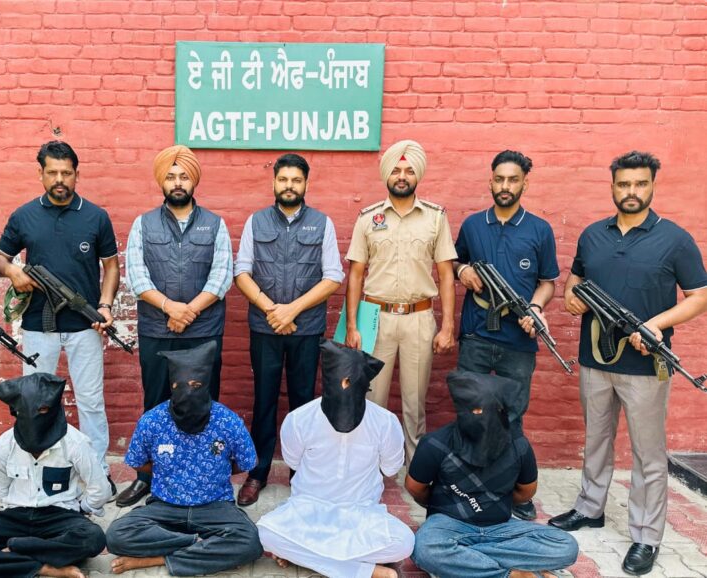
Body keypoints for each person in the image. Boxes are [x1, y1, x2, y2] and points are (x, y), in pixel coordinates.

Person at [548, 151, 707, 576]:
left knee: (648, 454)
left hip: (646, 366)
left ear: (652, 185)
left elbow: (700, 297)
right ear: (613, 187)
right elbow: (576, 280)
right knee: (596, 440)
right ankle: (590, 508)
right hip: (595, 360)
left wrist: (657, 324)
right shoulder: (592, 235)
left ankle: (646, 536)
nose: (631, 191)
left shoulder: (675, 239)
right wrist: (572, 296)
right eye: (624, 184)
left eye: (639, 184)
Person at [0, 140, 120, 497]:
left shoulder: (95, 216)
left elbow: (111, 266)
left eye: (67, 173)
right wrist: (14, 272)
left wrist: (105, 305)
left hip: (84, 327)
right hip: (38, 327)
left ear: (77, 174)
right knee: (34, 403)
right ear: (41, 174)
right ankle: (34, 473)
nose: (60, 179)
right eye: (53, 172)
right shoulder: (24, 216)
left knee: (91, 402)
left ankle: (98, 472)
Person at [119, 144, 233, 508]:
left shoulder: (215, 224)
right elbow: (137, 276)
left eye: (184, 176)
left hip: (204, 333)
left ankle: (205, 480)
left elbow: (221, 277)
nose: (178, 182)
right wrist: (170, 308)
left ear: (194, 180)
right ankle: (149, 479)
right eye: (171, 176)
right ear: (161, 181)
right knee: (156, 404)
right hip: (157, 329)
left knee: (203, 405)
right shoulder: (143, 224)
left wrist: (188, 312)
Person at [453, 150, 560, 520]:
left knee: (513, 417)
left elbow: (548, 282)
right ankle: (466, 485)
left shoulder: (540, 230)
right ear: (490, 180)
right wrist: (462, 271)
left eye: (513, 180)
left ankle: (514, 488)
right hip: (476, 334)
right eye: (499, 179)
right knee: (470, 411)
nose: (505, 186)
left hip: (519, 340)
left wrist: (536, 307)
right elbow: (454, 261)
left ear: (524, 184)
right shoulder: (472, 225)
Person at [234, 153, 344, 506]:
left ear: (306, 184)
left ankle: (302, 473)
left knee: (304, 402)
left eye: (296, 180)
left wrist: (292, 310)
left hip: (306, 329)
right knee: (264, 399)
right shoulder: (256, 222)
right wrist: (272, 310)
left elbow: (333, 276)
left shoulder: (322, 223)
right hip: (265, 328)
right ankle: (258, 472)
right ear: (274, 182)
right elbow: (241, 272)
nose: (289, 186)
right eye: (283, 179)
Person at [258, 339, 414, 578]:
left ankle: (304, 555)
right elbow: (293, 462)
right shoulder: (299, 419)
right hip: (308, 510)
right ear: (327, 382)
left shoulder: (385, 422)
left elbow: (391, 468)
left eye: (351, 383)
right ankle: (365, 570)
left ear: (364, 386)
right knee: (264, 533)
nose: (344, 390)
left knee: (404, 543)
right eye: (340, 382)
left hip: (361, 513)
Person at [105, 341, 263, 576]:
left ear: (206, 383)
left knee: (250, 542)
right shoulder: (153, 420)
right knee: (116, 535)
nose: (187, 392)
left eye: (195, 385)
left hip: (215, 506)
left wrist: (216, 471)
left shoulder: (227, 420)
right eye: (179, 386)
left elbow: (246, 462)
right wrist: (166, 472)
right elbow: (139, 462)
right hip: (165, 506)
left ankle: (158, 558)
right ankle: (201, 545)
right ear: (171, 385)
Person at [0, 373, 108, 578]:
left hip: (59, 516)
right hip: (14, 517)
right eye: (26, 410)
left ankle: (10, 553)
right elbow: (1, 492)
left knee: (93, 538)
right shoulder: (4, 445)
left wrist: (81, 509)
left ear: (54, 409)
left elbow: (100, 490)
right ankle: (43, 567)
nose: (35, 417)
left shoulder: (75, 442)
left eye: (42, 410)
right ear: (16, 411)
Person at [345, 139, 457, 461]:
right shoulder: (368, 218)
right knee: (372, 398)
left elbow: (446, 274)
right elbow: (355, 274)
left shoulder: (435, 217)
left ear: (417, 175)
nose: (402, 176)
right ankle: (371, 463)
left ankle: (415, 468)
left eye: (409, 171)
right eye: (396, 170)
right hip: (376, 318)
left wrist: (447, 326)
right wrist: (352, 326)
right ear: (387, 175)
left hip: (419, 319)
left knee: (414, 402)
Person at [407, 371, 579, 578]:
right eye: (477, 410)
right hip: (449, 524)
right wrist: (441, 505)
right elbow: (415, 487)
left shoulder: (518, 445)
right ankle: (513, 574)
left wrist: (493, 507)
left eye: (492, 409)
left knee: (566, 546)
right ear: (464, 410)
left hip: (501, 528)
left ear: (502, 410)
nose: (483, 416)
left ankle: (465, 561)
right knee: (425, 548)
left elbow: (526, 492)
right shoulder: (436, 443)